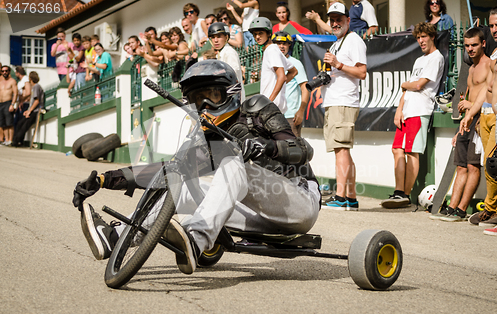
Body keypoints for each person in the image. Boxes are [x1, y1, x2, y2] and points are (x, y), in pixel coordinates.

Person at [72, 60, 320, 276]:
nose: (204, 106)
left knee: (231, 159)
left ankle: (196, 239)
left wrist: (264, 147)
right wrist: (106, 179)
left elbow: (302, 149)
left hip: (296, 202)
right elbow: (166, 172)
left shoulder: (256, 109)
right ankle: (116, 239)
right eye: (196, 99)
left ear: (229, 93)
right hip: (253, 216)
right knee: (183, 180)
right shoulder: (200, 139)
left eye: (212, 96)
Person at [381, 22, 444, 209]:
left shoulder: (436, 58)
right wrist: (399, 109)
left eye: (424, 36)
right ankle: (398, 192)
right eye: (418, 37)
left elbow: (418, 85)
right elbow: (408, 89)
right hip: (407, 111)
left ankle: (406, 195)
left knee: (411, 152)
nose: (421, 41)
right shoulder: (419, 60)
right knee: (397, 150)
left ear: (432, 36)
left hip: (420, 110)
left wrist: (405, 84)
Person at [433, 28, 488, 222]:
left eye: (474, 45)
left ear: (483, 43)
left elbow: (489, 96)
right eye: (467, 46)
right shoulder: (471, 68)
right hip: (466, 122)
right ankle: (452, 206)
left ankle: (462, 209)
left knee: (473, 166)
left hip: (480, 121)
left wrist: (472, 106)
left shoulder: (490, 65)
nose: (470, 49)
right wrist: (458, 129)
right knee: (461, 167)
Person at [320, 3, 367, 210]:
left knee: (341, 149)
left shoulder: (354, 40)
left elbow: (362, 72)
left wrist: (338, 64)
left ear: (348, 20)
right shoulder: (338, 43)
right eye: (332, 19)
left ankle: (340, 198)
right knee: (344, 151)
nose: (335, 23)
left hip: (343, 102)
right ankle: (351, 198)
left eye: (339, 18)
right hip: (334, 101)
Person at [467, 6, 497, 231]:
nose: (495, 29)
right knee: (492, 165)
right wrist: (471, 114)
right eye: (492, 25)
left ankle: (494, 209)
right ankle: (493, 209)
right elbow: (486, 89)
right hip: (491, 113)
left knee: (495, 164)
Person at [248, 17, 297, 114]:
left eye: (260, 33)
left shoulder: (271, 50)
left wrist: (269, 101)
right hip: (273, 107)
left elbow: (282, 77)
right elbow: (293, 71)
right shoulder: (274, 50)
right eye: (255, 34)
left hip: (270, 108)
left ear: (269, 33)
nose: (257, 37)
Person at [273, 31, 309, 137]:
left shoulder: (295, 63)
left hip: (290, 116)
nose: (281, 46)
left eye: (284, 43)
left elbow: (305, 88)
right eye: (278, 43)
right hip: (274, 115)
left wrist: (301, 111)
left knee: (294, 150)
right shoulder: (271, 63)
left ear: (289, 45)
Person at [208, 22, 245, 101]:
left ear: (226, 37)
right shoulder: (221, 53)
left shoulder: (229, 53)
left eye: (219, 36)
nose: (216, 40)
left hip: (234, 99)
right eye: (213, 37)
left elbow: (232, 75)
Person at [12, 71, 43, 148]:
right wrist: (28, 110)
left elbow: (36, 101)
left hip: (36, 111)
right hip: (32, 110)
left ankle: (16, 142)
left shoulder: (36, 87)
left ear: (31, 79)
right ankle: (15, 140)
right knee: (20, 123)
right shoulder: (34, 88)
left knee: (24, 126)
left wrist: (30, 111)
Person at [0, 66, 18, 146]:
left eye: (6, 71)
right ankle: (6, 140)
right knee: (2, 123)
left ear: (9, 71)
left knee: (9, 123)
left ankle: (10, 140)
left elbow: (15, 93)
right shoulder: (0, 81)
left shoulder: (12, 81)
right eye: (3, 71)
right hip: (0, 103)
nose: (4, 72)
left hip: (8, 102)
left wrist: (12, 104)